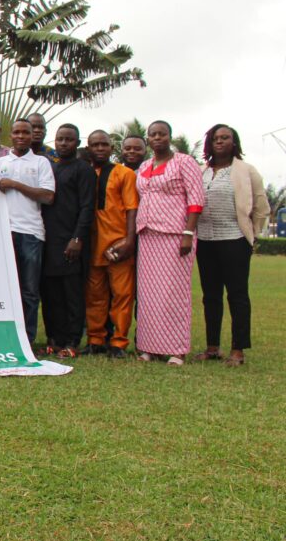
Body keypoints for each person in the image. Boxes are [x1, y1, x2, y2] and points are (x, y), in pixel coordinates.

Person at [192, 125, 269, 367]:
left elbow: (261, 206)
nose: (220, 142)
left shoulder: (246, 171)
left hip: (234, 240)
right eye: (215, 138)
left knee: (237, 295)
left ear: (234, 142)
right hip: (205, 241)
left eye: (225, 138)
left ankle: (238, 350)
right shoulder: (202, 171)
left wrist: (252, 235)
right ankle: (212, 347)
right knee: (210, 296)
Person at [134, 120, 204, 365]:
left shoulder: (184, 162)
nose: (157, 138)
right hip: (147, 234)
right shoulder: (144, 166)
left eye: (161, 134)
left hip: (175, 234)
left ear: (169, 136)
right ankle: (149, 347)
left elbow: (196, 199)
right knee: (149, 294)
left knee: (173, 293)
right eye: (152, 135)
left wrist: (188, 232)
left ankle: (177, 349)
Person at [0, 119, 55, 344]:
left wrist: (16, 184)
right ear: (10, 135)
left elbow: (48, 196)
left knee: (29, 291)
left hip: (31, 232)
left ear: (32, 135)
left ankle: (27, 340)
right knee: (7, 289)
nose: (21, 136)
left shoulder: (41, 163)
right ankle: (9, 338)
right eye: (17, 132)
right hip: (4, 231)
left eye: (25, 132)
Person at [39, 124, 95, 358]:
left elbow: (87, 207)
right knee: (51, 294)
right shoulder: (49, 168)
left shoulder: (83, 170)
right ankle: (54, 339)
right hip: (48, 240)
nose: (63, 143)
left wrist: (77, 238)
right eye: (60, 139)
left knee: (71, 294)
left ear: (77, 143)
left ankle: (72, 341)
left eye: (69, 140)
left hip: (71, 241)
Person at [83, 130, 139, 359]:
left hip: (117, 244)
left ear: (111, 147)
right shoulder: (85, 173)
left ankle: (118, 342)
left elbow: (132, 208)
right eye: (94, 145)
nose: (99, 149)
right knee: (95, 296)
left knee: (122, 295)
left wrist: (129, 240)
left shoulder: (124, 174)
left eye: (104, 144)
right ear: (88, 148)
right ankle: (96, 339)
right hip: (93, 245)